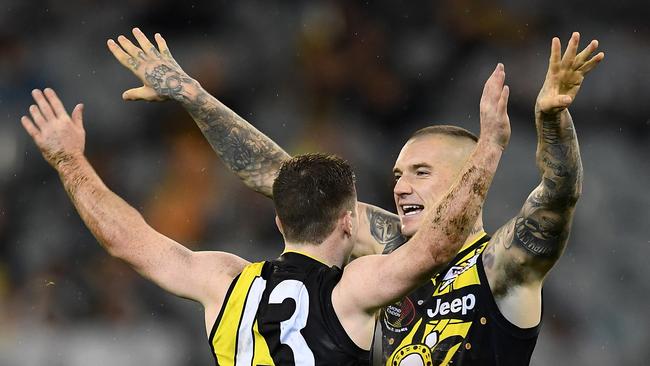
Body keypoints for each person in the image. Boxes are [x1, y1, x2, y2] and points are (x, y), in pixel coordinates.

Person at [108, 28, 602, 365]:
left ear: (463, 180)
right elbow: (281, 177)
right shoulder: (390, 247)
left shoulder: (500, 265)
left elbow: (558, 197)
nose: (401, 185)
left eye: (421, 172)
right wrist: (195, 98)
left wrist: (553, 122)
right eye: (397, 173)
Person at [20, 51, 508, 365]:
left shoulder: (222, 281)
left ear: (278, 220)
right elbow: (441, 243)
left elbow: (123, 240)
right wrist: (490, 143)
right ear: (347, 223)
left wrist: (69, 160)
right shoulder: (358, 288)